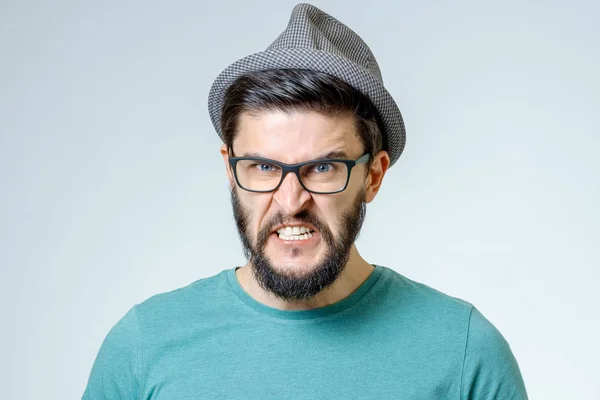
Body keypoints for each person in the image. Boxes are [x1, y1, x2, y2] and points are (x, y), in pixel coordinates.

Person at [82, 3, 528, 399]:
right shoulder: (145, 345)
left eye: (322, 168)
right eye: (263, 167)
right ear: (230, 170)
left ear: (373, 175)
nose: (291, 201)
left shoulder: (464, 352)